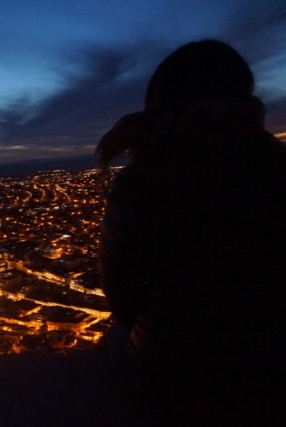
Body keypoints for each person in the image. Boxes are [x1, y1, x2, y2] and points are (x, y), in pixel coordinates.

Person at [96, 40, 286, 425]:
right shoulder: (277, 168)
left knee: (114, 338)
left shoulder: (143, 181)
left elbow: (123, 299)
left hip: (181, 379)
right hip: (276, 373)